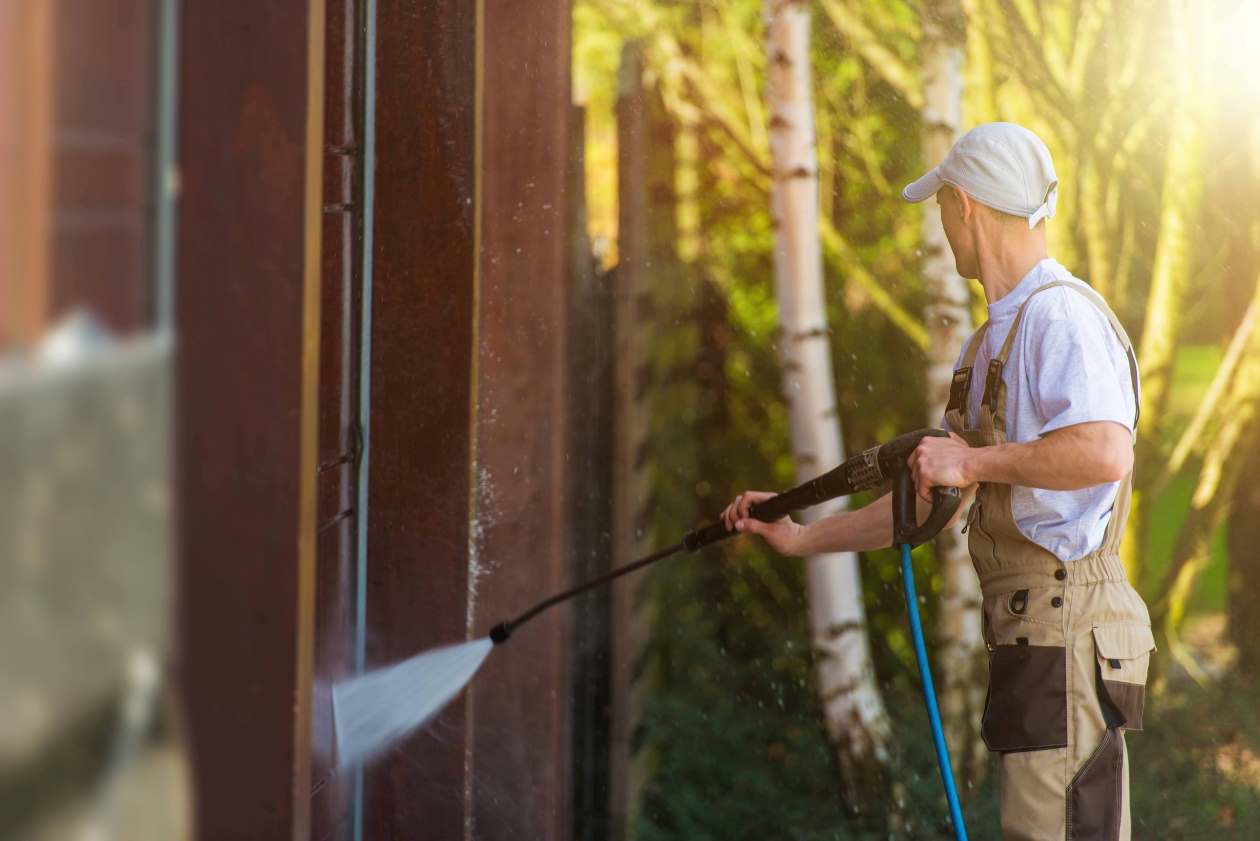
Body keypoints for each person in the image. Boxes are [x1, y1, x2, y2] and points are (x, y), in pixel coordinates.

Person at [721, 122, 1153, 841]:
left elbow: (1105, 450)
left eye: (942, 208)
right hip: (1031, 630)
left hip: (1070, 620)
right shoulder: (988, 345)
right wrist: (798, 537)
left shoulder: (1061, 316)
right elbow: (931, 500)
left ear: (965, 206)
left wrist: (974, 461)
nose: (942, 225)